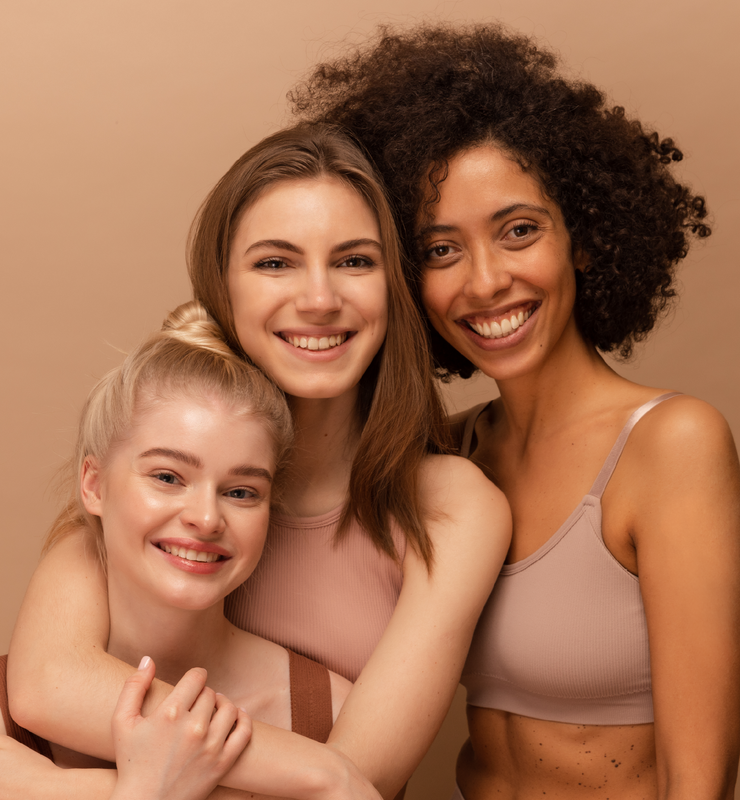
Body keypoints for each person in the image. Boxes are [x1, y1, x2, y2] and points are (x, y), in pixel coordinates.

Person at [0, 125, 510, 799]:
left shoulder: (451, 508)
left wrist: (72, 793)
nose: (320, 298)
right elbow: (48, 685)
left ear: (396, 287)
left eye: (355, 261)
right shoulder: (158, 456)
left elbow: (355, 786)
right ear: (224, 285)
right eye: (275, 263)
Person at [290, 23, 740, 799]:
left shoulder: (672, 445)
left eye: (518, 232)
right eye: (440, 250)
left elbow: (700, 779)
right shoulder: (450, 455)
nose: (486, 281)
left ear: (585, 239)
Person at [0, 300, 384, 800]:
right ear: (93, 485)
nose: (206, 518)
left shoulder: (329, 715)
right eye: (168, 477)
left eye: (241, 491)